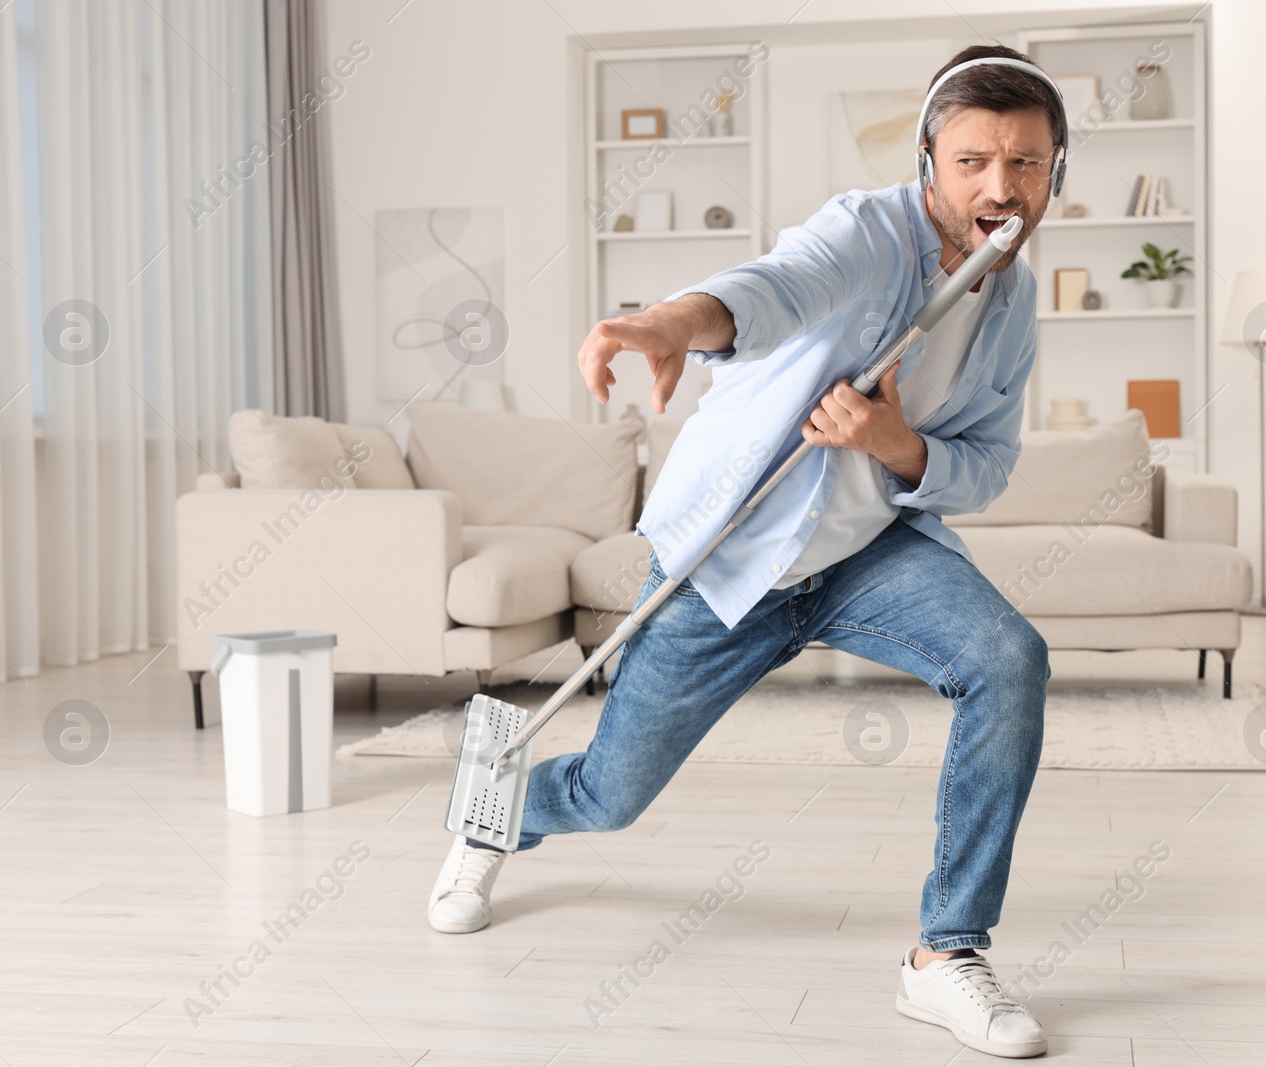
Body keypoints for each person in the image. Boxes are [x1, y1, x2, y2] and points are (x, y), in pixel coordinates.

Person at [429, 43, 1063, 1059]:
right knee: (608, 791)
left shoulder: (1017, 300)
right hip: (734, 555)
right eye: (974, 161)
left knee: (1006, 657)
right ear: (928, 165)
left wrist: (893, 445)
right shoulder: (867, 230)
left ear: (1054, 172)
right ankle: (491, 820)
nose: (1001, 188)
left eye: (1026, 163)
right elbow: (773, 285)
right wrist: (670, 322)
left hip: (868, 551)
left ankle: (945, 955)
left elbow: (984, 465)